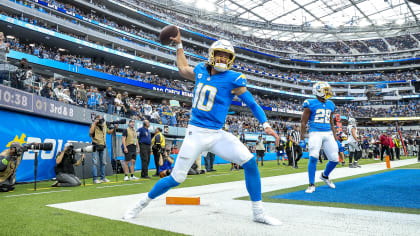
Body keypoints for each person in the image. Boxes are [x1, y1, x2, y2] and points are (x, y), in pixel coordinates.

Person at [123, 30, 281, 225]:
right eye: (220, 54)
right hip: (195, 133)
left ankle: (258, 212)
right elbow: (182, 68)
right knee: (176, 178)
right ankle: (140, 204)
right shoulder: (200, 70)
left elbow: (253, 104)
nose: (223, 59)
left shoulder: (233, 78)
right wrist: (179, 45)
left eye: (227, 56)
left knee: (249, 162)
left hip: (216, 134)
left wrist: (265, 125)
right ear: (212, 55)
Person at [300, 81, 339, 194]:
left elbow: (332, 123)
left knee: (335, 159)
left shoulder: (331, 104)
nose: (328, 92)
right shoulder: (310, 103)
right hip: (315, 132)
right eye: (325, 90)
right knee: (313, 157)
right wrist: (302, 139)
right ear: (318, 91)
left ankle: (324, 176)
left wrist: (336, 139)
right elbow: (303, 123)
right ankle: (311, 184)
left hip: (328, 133)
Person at [89, 115, 117, 184]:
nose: (101, 120)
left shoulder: (104, 125)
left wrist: (114, 128)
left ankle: (103, 178)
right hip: (95, 144)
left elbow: (109, 132)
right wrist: (94, 123)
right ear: (96, 119)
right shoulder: (93, 125)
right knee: (94, 163)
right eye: (99, 119)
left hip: (103, 145)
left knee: (103, 163)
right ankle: (95, 179)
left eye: (101, 119)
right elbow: (90, 133)